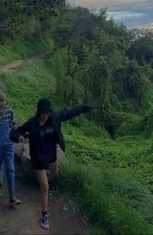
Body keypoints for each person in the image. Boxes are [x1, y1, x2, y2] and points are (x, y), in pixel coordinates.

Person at [13, 98, 93, 230]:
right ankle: (44, 214)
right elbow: (16, 132)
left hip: (51, 153)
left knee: (54, 173)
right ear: (38, 112)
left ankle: (44, 184)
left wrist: (85, 107)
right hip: (38, 156)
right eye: (43, 114)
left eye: (47, 113)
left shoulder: (55, 117)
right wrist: (19, 137)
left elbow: (70, 112)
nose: (45, 116)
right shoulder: (32, 123)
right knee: (44, 186)